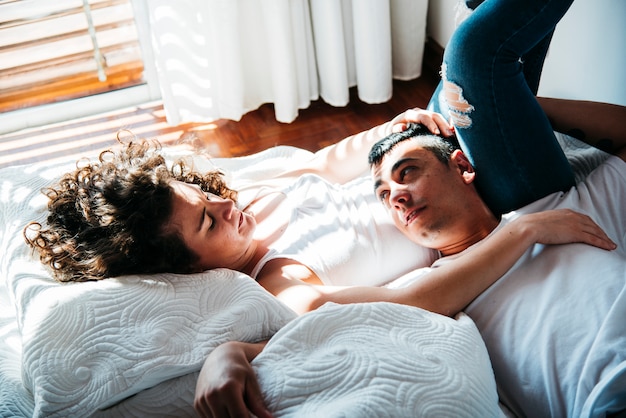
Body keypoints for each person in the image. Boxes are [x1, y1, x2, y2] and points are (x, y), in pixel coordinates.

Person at [192, 0, 626, 416]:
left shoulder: (565, 207)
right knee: (470, 54)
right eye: (381, 194)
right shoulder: (434, 288)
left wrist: (527, 108)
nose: (394, 197)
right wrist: (229, 353)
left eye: (407, 172)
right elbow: (319, 324)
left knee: (469, 52)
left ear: (463, 166)